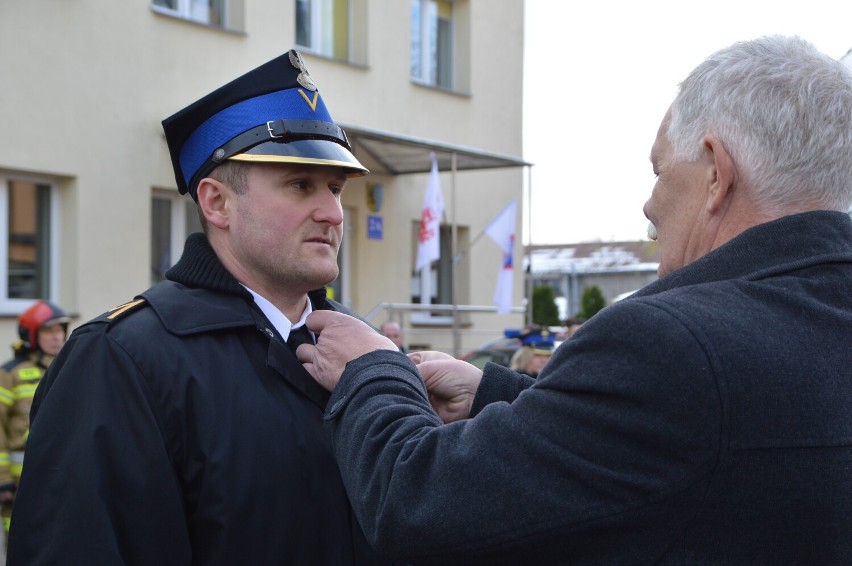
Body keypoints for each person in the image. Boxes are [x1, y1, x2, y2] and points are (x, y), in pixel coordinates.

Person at [296, 36, 852, 564]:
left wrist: (372, 371)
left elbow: (416, 501)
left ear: (715, 173)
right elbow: (677, 441)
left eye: (658, 171)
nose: (649, 205)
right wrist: (493, 393)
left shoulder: (671, 344)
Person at [8, 51, 394, 564]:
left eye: (336, 189)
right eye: (300, 185)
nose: (331, 213)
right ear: (216, 203)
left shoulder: (364, 347)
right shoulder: (122, 357)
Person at [0, 301, 72, 536]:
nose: (57, 337)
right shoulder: (10, 373)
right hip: (20, 482)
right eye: (49, 331)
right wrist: (3, 480)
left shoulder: (69, 368)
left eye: (60, 330)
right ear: (30, 334)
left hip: (61, 475)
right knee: (21, 539)